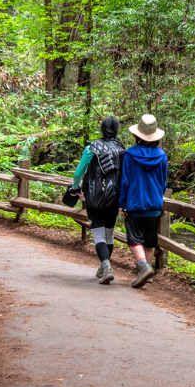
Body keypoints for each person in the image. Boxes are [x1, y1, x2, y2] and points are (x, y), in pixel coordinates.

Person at [72, 116, 124, 285]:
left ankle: (106, 266)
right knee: (109, 233)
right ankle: (104, 266)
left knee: (98, 232)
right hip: (113, 196)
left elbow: (79, 172)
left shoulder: (91, 148)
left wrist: (75, 187)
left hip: (94, 195)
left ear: (102, 129)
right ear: (116, 130)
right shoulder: (121, 149)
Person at [120, 114, 169, 288]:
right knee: (149, 240)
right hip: (154, 205)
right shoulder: (162, 156)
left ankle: (143, 266)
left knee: (134, 239)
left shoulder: (129, 155)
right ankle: (146, 275)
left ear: (137, 135)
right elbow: (163, 182)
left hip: (135, 203)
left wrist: (122, 202)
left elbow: (125, 181)